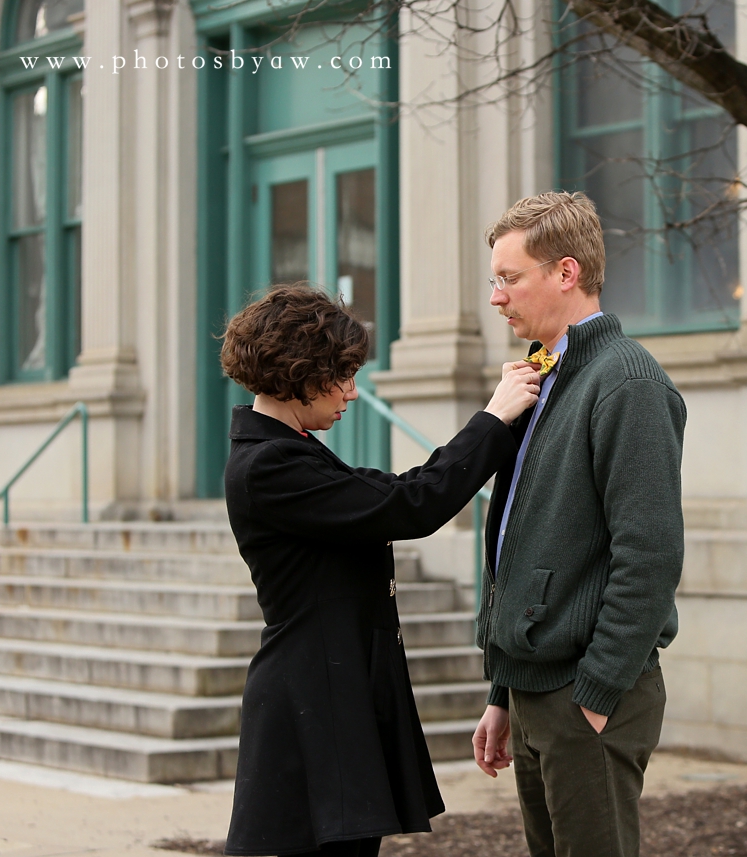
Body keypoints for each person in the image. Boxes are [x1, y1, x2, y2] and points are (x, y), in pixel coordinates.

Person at [219, 283, 542, 857]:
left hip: (330, 691)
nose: (351, 391)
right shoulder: (269, 464)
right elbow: (407, 505)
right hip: (310, 705)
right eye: (341, 375)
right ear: (300, 374)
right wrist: (493, 418)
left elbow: (392, 493)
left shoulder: (290, 449)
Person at [469, 192, 686, 857]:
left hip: (586, 696)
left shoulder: (627, 381)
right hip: (536, 692)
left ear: (566, 272)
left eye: (510, 278)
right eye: (495, 280)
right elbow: (521, 543)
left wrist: (594, 696)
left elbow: (648, 555)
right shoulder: (539, 379)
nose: (498, 297)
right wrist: (504, 690)